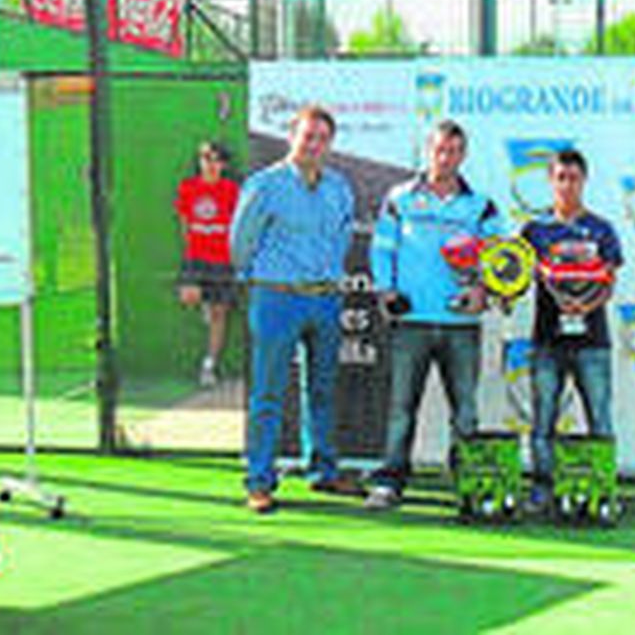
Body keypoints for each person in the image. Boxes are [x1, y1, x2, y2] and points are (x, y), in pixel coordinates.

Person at [365, 120, 505, 510]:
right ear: (428, 150)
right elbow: (382, 250)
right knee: (401, 407)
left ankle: (467, 480)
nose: (446, 158)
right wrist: (386, 289)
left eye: (455, 151)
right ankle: (391, 480)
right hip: (411, 321)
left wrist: (484, 291)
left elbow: (499, 261)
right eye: (440, 149)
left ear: (464, 155)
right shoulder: (400, 197)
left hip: (462, 324)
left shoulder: (482, 205)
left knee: (465, 410)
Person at [230, 105, 363, 513]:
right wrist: (261, 279)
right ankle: (259, 481)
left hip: (325, 299)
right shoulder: (265, 184)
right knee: (268, 393)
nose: (314, 145)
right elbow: (240, 243)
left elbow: (343, 237)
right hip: (276, 298)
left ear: (330, 144)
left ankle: (323, 470)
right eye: (308, 136)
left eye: (322, 139)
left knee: (322, 390)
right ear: (292, 137)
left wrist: (328, 280)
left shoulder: (339, 187)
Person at [519, 149, 623, 510]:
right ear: (550, 181)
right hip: (547, 339)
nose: (567, 185)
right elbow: (515, 275)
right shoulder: (534, 231)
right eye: (560, 177)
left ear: (584, 180)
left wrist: (586, 306)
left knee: (600, 418)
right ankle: (542, 488)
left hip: (593, 339)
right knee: (543, 418)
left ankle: (603, 487)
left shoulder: (602, 229)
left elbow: (609, 281)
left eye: (574, 178)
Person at [174, 141, 241, 388]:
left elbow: (238, 226)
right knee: (189, 298)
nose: (210, 164)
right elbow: (184, 224)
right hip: (196, 260)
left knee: (218, 313)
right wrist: (191, 256)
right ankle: (204, 302)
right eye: (205, 158)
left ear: (223, 165)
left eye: (215, 160)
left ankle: (209, 365)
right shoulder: (188, 188)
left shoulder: (232, 190)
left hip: (223, 261)